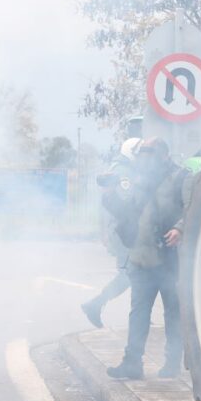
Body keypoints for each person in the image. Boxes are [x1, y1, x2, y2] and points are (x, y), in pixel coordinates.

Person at [105, 137, 188, 380]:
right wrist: (109, 194)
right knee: (138, 313)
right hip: (141, 258)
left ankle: (172, 362)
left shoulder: (182, 177)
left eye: (149, 152)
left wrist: (180, 228)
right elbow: (127, 213)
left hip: (170, 259)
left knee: (173, 313)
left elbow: (194, 207)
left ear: (164, 154)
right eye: (142, 153)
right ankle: (132, 363)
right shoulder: (140, 180)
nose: (144, 157)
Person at [81, 137, 141, 328]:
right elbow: (125, 202)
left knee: (135, 275)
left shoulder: (120, 168)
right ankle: (95, 304)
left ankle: (140, 315)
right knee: (129, 275)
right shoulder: (124, 172)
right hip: (124, 233)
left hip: (122, 231)